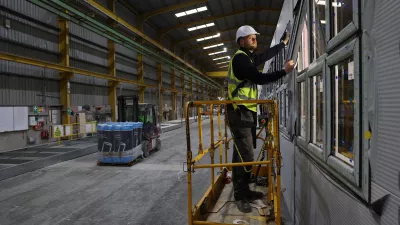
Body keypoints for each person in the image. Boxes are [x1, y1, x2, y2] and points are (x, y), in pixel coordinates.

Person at [226, 25, 295, 213]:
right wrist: (284, 71)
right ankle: (240, 195)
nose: (255, 39)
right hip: (239, 112)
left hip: (245, 112)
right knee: (246, 155)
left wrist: (282, 44)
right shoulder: (240, 59)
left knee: (240, 154)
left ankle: (244, 190)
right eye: (251, 38)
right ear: (241, 41)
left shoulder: (247, 57)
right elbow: (259, 78)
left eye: (255, 37)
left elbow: (264, 56)